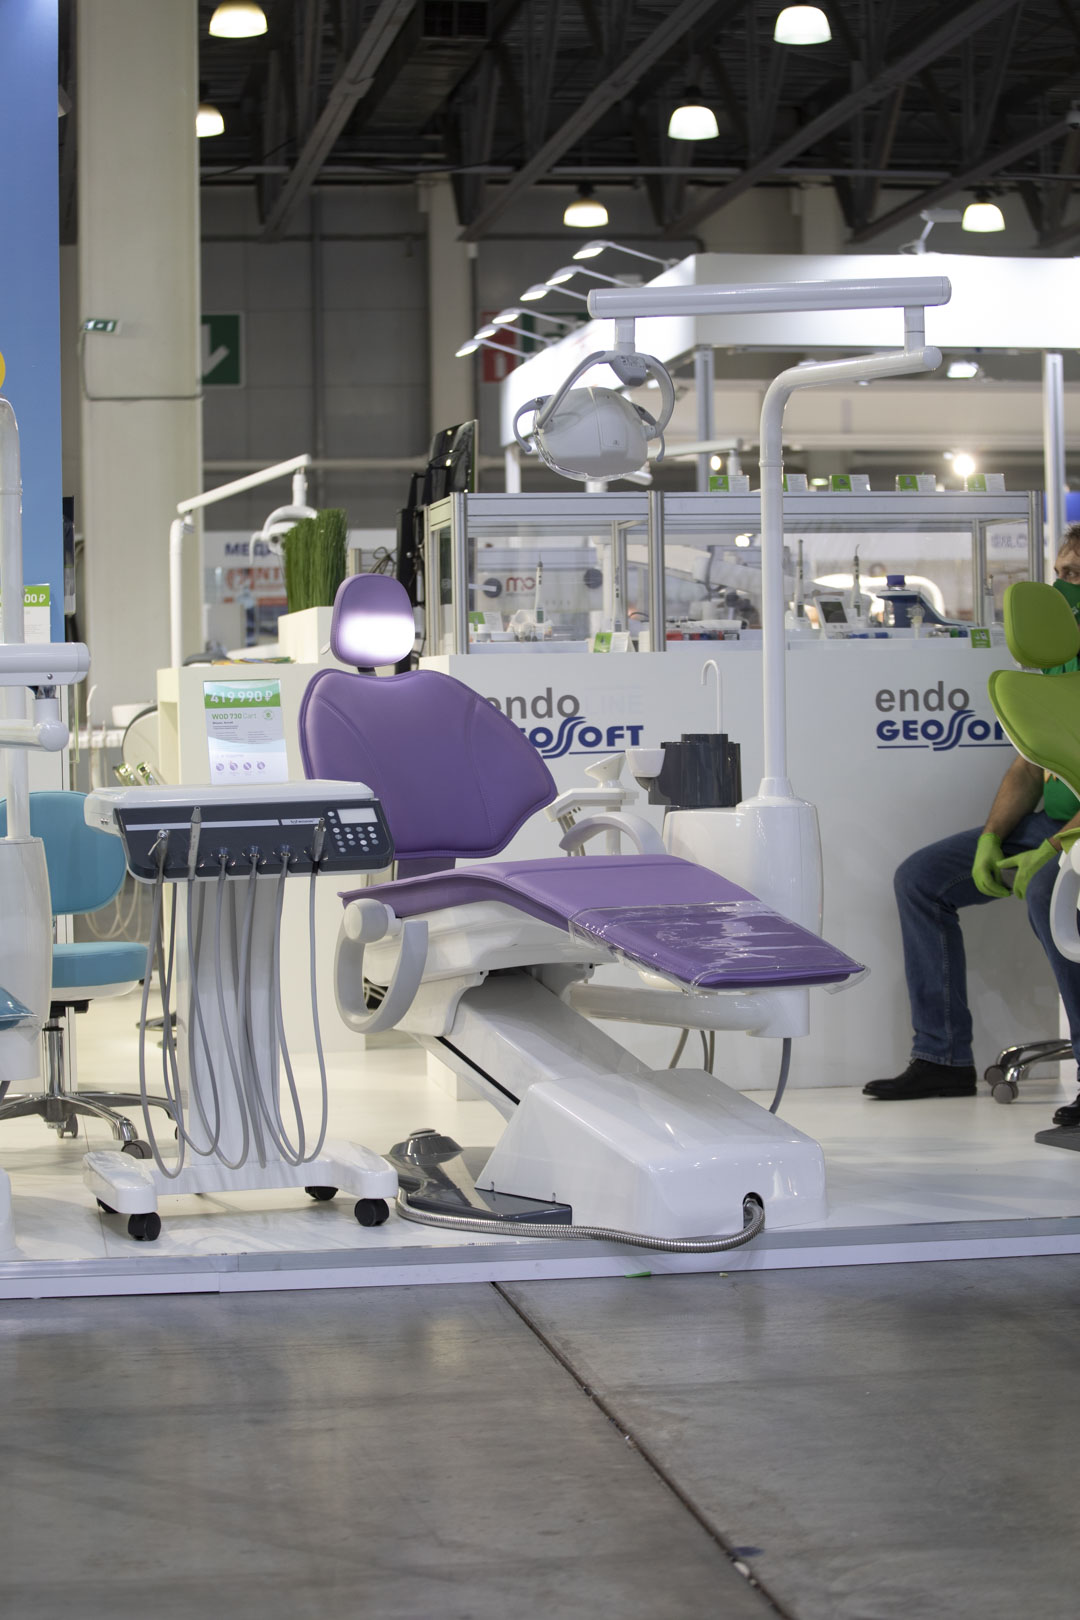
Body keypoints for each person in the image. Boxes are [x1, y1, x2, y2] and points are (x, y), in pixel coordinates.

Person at [865, 525, 1080, 1125]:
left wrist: (1056, 848)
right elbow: (1029, 767)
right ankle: (942, 1058)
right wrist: (991, 838)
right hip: (1055, 825)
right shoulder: (1056, 667)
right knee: (921, 879)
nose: (1064, 588)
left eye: (1077, 576)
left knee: (1049, 892)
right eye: (1061, 574)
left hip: (1072, 837)